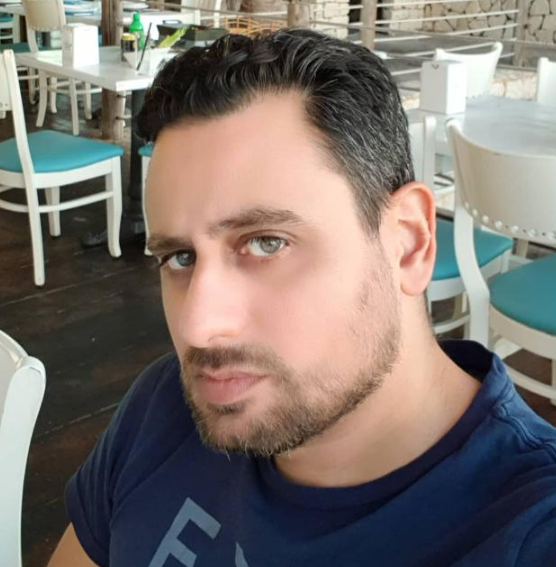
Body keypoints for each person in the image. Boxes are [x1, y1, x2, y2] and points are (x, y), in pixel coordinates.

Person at [47, 29, 556, 567]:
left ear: (407, 244)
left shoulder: (527, 530)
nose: (197, 328)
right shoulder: (162, 407)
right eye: (180, 257)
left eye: (266, 243)